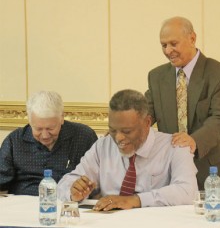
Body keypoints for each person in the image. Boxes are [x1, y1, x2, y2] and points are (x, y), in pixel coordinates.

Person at [145, 16, 220, 202]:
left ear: (192, 39)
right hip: (168, 176)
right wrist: (124, 128)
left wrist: (193, 140)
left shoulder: (219, 73)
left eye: (173, 44)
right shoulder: (156, 76)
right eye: (163, 45)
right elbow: (144, 113)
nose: (168, 51)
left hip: (208, 175)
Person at [57, 89, 198, 210]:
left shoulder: (175, 147)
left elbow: (188, 191)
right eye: (112, 130)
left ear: (147, 123)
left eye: (127, 131)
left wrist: (135, 200)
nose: (118, 138)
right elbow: (66, 183)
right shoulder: (103, 146)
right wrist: (73, 191)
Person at [0, 91, 98, 195]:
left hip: (69, 203)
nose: (45, 135)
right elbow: (1, 184)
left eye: (51, 128)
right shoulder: (14, 140)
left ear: (62, 118)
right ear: (29, 121)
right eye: (38, 129)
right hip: (23, 204)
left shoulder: (83, 136)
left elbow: (100, 182)